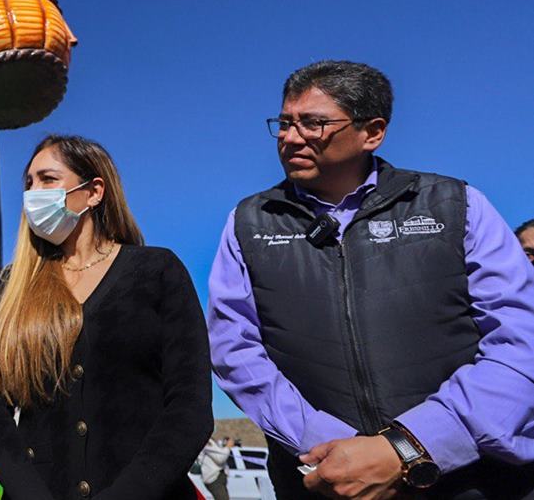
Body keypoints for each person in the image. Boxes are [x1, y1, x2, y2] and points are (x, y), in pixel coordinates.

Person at [208, 60, 534, 499]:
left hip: (473, 482)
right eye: (284, 123)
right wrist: (326, 446)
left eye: (313, 123)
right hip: (322, 482)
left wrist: (409, 447)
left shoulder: (456, 205)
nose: (289, 137)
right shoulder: (249, 222)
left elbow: (520, 342)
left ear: (372, 132)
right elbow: (234, 349)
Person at [0, 135, 212, 499]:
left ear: (94, 191)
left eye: (48, 179)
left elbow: (189, 406)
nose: (33, 192)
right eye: (28, 182)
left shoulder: (156, 271)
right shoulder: (15, 286)